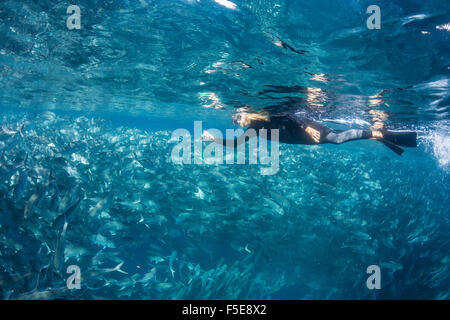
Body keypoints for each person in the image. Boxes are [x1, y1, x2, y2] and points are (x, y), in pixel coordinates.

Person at [202, 106, 417, 155]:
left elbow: (288, 116)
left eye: (238, 117)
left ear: (247, 112)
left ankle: (377, 133)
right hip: (303, 139)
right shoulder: (253, 130)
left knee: (337, 139)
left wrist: (306, 127)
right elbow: (235, 144)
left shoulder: (265, 115)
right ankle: (376, 134)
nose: (238, 123)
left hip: (307, 130)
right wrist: (213, 139)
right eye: (234, 122)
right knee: (335, 140)